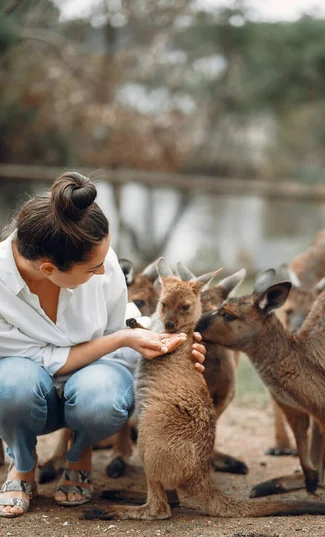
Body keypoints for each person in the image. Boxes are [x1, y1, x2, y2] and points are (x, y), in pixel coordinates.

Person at [0, 171, 206, 518]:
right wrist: (123, 337)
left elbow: (121, 324)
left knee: (104, 396)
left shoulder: (101, 261)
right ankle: (22, 464)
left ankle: (80, 454)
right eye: (93, 268)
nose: (103, 271)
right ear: (49, 268)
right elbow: (40, 358)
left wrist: (170, 342)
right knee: (13, 385)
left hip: (90, 379)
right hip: (28, 394)